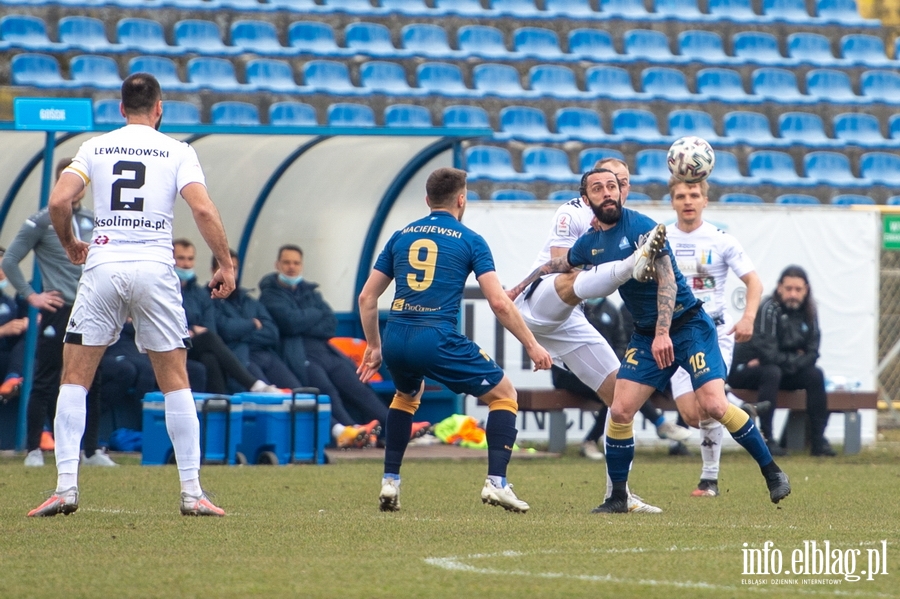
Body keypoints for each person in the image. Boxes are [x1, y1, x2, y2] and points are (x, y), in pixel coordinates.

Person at [507, 167, 791, 512]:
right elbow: (559, 264)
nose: (608, 192)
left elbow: (668, 282)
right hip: (646, 333)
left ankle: (772, 471)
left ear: (622, 193)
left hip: (687, 326)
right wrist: (520, 287)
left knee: (714, 405)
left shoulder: (642, 228)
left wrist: (662, 334)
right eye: (598, 188)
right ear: (587, 199)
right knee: (622, 408)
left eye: (613, 186)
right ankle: (617, 497)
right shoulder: (591, 243)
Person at [27, 73, 235, 517]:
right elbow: (201, 207)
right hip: (155, 268)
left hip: (104, 266)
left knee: (74, 378)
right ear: (159, 109)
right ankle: (192, 493)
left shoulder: (95, 147)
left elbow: (60, 202)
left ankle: (65, 487)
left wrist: (68, 246)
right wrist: (225, 262)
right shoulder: (178, 151)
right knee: (175, 379)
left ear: (121, 109)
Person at [357, 167, 553, 513]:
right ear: (462, 199)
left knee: (406, 395)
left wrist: (374, 346)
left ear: (427, 200)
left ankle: (391, 481)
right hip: (435, 336)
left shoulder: (401, 236)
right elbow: (498, 302)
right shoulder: (470, 239)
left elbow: (367, 298)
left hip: (396, 337)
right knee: (505, 394)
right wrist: (532, 345)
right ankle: (497, 482)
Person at [532, 157, 691, 464]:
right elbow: (560, 269)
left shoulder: (627, 226)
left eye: (621, 183)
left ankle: (618, 490)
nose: (613, 189)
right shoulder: (572, 213)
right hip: (547, 306)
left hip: (575, 319)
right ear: (588, 190)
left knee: (621, 397)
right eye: (604, 183)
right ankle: (658, 425)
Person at [3, 158, 115, 468]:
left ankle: (90, 451)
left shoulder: (96, 220)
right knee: (47, 378)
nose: (77, 189)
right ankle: (34, 449)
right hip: (58, 309)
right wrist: (32, 296)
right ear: (60, 181)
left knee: (94, 379)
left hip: (93, 308)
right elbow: (10, 260)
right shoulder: (41, 221)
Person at [259, 245, 429, 448]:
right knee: (327, 390)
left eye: (296, 263)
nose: (291, 267)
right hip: (298, 353)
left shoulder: (310, 291)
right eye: (286, 262)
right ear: (277, 265)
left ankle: (398, 427)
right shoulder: (270, 294)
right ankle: (350, 431)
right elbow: (290, 323)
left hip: (324, 349)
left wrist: (304, 320)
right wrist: (313, 315)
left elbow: (330, 323)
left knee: (357, 385)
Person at [665, 177, 764, 498]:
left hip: (714, 332)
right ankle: (736, 406)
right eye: (681, 196)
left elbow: (754, 283)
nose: (688, 200)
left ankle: (709, 480)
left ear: (705, 200)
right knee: (693, 415)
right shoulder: (661, 238)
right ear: (673, 202)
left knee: (708, 406)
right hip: (678, 333)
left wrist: (748, 318)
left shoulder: (722, 240)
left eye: (694, 194)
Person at [728, 265, 834, 457]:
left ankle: (818, 442)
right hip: (745, 371)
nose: (793, 294)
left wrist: (791, 359)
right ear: (779, 288)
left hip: (779, 370)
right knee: (771, 371)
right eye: (788, 289)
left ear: (806, 290)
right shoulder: (769, 308)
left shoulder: (810, 311)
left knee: (815, 375)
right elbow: (768, 354)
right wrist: (796, 356)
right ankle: (766, 439)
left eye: (798, 289)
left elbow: (813, 353)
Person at [174, 239, 281, 395]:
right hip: (172, 342)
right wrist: (191, 329)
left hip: (194, 345)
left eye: (190, 259)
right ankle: (252, 384)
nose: (186, 264)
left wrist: (242, 331)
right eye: (181, 258)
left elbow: (210, 328)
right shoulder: (165, 288)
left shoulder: (199, 294)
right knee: (209, 342)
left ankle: (219, 409)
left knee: (210, 357)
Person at [211, 250, 303, 390]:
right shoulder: (209, 299)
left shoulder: (248, 300)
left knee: (298, 394)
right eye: (223, 268)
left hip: (265, 355)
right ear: (213, 271)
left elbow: (272, 332)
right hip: (240, 357)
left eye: (233, 268)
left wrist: (241, 333)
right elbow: (225, 330)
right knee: (268, 397)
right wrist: (253, 323)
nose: (230, 273)